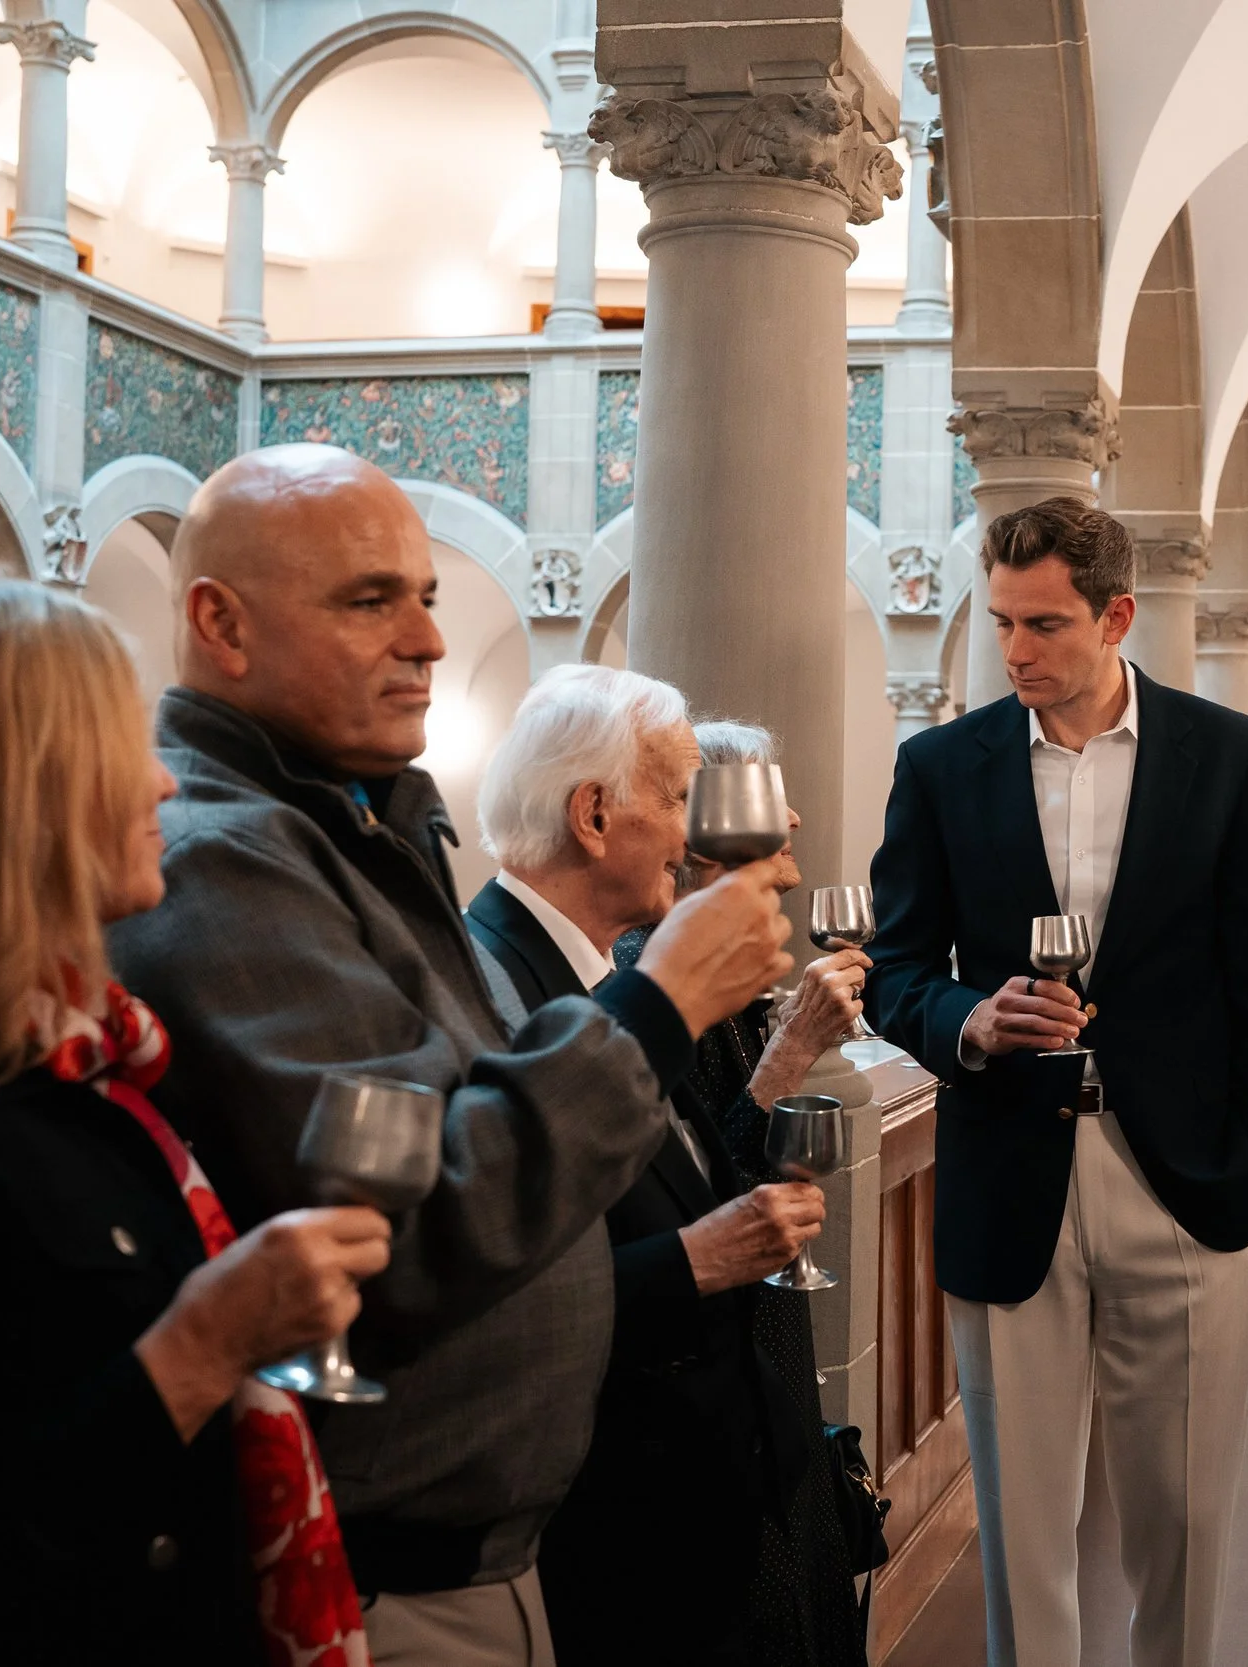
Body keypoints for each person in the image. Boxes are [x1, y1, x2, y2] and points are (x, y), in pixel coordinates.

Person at [104, 444, 793, 1666]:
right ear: (221, 622)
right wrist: (660, 1002)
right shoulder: (224, 860)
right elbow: (418, 1224)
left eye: (426, 594)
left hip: (495, 1550)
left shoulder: (365, 828)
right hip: (376, 1570)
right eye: (372, 599)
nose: (427, 639)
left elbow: (480, 1117)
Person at [866, 497, 1248, 1667]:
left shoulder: (1229, 755)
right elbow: (893, 968)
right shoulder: (937, 767)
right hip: (1009, 1174)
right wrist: (970, 1015)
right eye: (1003, 622)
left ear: (1116, 615)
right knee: (1024, 1528)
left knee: (1184, 1523)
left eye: (1045, 624)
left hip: (1185, 1183)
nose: (1015, 651)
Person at [0, 580, 391, 1665]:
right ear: (36, 789)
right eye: (131, 748)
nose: (165, 778)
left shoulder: (101, 1067)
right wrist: (205, 1340)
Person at [457, 667, 849, 1667]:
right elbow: (494, 1284)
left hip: (687, 1498)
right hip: (612, 1522)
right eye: (678, 799)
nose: (693, 833)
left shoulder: (595, 971)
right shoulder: (495, 982)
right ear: (592, 814)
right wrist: (695, 1261)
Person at [603, 715, 875, 1667]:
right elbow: (698, 1192)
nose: (793, 826)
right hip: (712, 1389)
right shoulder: (645, 976)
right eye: (767, 805)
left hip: (767, 1372)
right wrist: (793, 1050)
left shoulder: (716, 967)